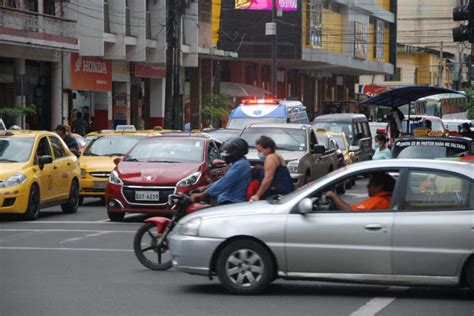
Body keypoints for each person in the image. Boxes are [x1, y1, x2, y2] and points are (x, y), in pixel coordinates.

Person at [190, 138, 251, 205]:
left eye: (228, 152)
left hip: (231, 201)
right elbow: (222, 180)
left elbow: (224, 182)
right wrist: (204, 188)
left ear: (236, 153)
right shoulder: (239, 163)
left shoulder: (240, 166)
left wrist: (202, 194)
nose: (225, 155)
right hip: (227, 198)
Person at [249, 136, 294, 201]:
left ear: (268, 149)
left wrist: (257, 195)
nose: (259, 153)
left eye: (260, 151)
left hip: (277, 195)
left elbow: (268, 178)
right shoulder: (276, 155)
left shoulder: (270, 158)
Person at [325, 172, 395, 211]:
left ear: (379, 187)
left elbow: (350, 212)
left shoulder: (379, 201)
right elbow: (352, 208)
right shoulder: (387, 199)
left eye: (370, 184)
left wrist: (333, 195)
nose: (367, 186)